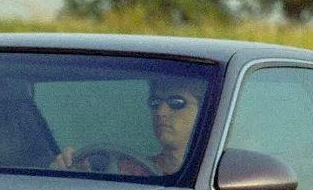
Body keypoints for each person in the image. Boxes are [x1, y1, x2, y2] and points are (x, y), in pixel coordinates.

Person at [51, 75, 205, 176]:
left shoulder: (215, 179)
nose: (160, 112)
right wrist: (77, 176)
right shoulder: (127, 171)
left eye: (176, 102)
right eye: (155, 102)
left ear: (204, 111)